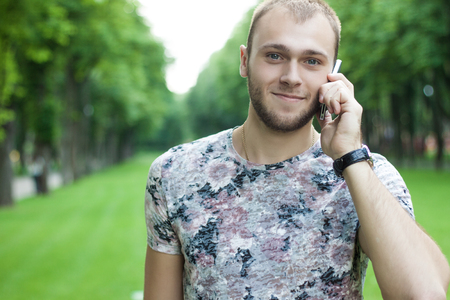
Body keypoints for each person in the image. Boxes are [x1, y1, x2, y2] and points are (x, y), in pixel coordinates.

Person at [144, 0, 450, 299]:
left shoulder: (368, 175)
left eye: (312, 61)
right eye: (275, 55)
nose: (292, 77)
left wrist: (351, 158)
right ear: (244, 61)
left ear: (334, 73)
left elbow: (424, 293)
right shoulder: (175, 173)